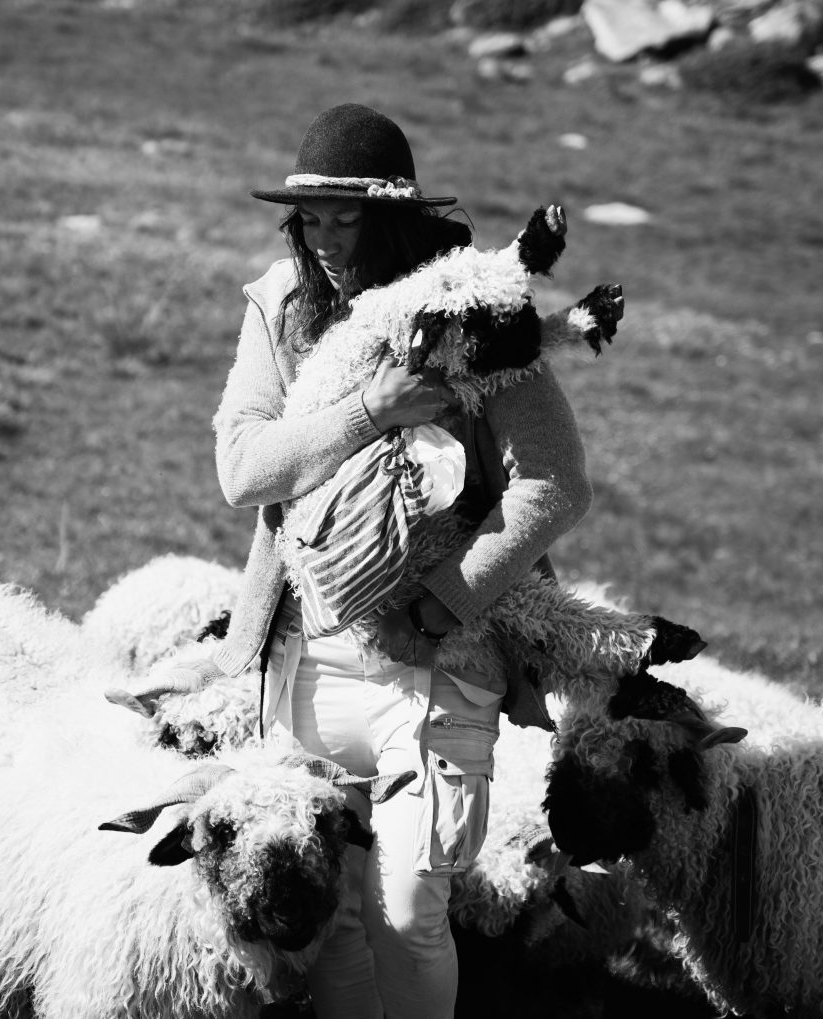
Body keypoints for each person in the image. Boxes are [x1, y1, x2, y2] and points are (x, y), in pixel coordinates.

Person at [154, 104, 593, 1018]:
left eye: (345, 220)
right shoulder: (278, 305)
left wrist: (443, 601)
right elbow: (243, 469)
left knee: (407, 912)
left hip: (438, 661)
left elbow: (554, 481)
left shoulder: (471, 310)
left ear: (394, 220)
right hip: (304, 655)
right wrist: (371, 411)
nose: (324, 242)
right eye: (309, 220)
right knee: (342, 916)